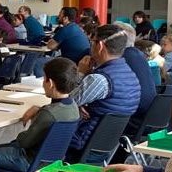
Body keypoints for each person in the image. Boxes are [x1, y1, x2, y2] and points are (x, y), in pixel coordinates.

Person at [0, 58, 81, 172]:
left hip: (28, 160)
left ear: (50, 83)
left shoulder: (48, 114)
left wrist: (35, 118)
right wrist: (39, 110)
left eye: (44, 79)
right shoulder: (73, 108)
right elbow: (54, 112)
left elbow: (23, 142)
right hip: (49, 162)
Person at [38, 24, 139, 156]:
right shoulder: (129, 74)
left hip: (80, 143)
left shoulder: (99, 79)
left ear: (100, 45)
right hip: (105, 146)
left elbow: (62, 105)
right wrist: (79, 106)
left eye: (92, 42)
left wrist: (80, 73)